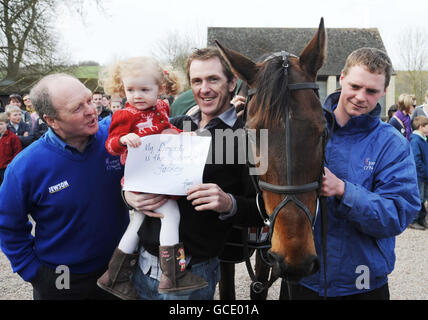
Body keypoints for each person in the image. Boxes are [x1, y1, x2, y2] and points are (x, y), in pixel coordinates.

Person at [123, 47, 264, 300]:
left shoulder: (251, 138)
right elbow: (132, 172)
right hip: (142, 267)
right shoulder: (173, 124)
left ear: (232, 83)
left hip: (192, 273)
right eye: (197, 81)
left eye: (213, 79)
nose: (204, 89)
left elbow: (264, 208)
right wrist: (128, 197)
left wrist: (228, 203)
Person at [285, 47, 420, 300]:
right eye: (355, 86)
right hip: (303, 279)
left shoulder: (392, 144)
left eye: (371, 91)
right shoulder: (302, 132)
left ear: (383, 92)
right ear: (342, 79)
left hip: (363, 285)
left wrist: (343, 191)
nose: (361, 97)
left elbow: (397, 214)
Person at [0, 74, 129, 300]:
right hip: (62, 279)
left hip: (119, 272)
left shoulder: (116, 138)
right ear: (51, 120)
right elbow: (7, 225)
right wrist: (35, 273)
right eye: (77, 108)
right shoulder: (25, 166)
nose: (91, 110)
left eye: (89, 100)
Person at [96, 56, 207, 299]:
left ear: (161, 89)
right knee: (171, 214)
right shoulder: (125, 115)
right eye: (130, 89)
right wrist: (124, 140)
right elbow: (111, 145)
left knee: (136, 223)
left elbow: (164, 131)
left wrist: (180, 135)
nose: (136, 95)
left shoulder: (161, 109)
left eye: (145, 89)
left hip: (156, 173)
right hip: (142, 176)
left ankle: (113, 276)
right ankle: (172, 275)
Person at [409, 116, 428, 230]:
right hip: (420, 175)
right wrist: (424, 171)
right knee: (418, 198)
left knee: (424, 197)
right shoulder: (415, 140)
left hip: (424, 175)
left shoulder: (423, 139)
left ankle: (421, 219)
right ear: (421, 127)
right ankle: (413, 220)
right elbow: (417, 160)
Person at [0, 112, 22, 185]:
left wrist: (11, 167)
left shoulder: (13, 137)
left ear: (7, 123)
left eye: (1, 124)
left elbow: (17, 154)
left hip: (7, 169)